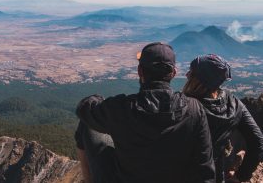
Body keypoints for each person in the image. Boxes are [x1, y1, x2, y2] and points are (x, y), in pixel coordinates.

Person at [75, 42, 215, 183]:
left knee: (87, 124)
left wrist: (97, 99)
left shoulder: (122, 108)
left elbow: (83, 109)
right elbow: (205, 168)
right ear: (173, 73)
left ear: (140, 71)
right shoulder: (194, 109)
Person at [183, 54, 263, 183]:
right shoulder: (234, 104)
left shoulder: (184, 107)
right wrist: (242, 176)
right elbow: (257, 141)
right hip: (217, 176)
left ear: (199, 79)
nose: (186, 75)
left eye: (191, 72)